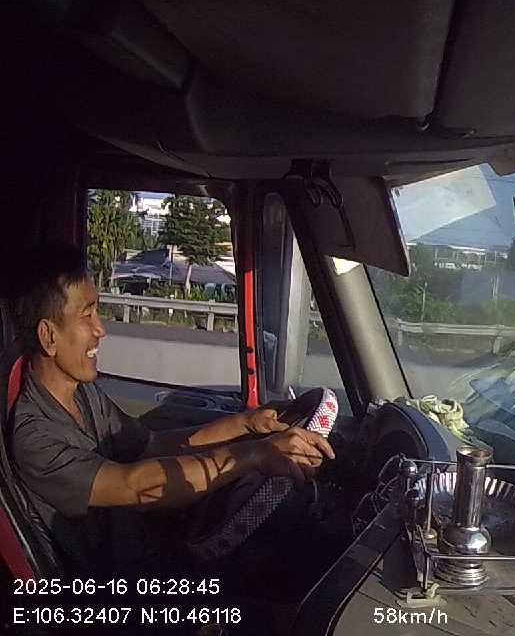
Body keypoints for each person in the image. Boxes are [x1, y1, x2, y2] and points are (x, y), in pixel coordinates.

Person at [5, 242, 335, 577]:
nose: (100, 329)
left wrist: (246, 425)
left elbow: (152, 445)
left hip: (143, 549)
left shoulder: (82, 394)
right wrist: (252, 455)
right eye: (87, 315)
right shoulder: (33, 437)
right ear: (48, 337)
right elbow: (133, 485)